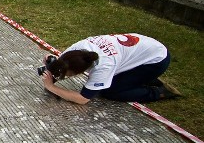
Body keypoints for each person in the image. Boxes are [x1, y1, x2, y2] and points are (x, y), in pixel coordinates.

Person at [40, 33, 179, 104]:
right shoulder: (75, 50)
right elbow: (63, 63)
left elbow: (83, 99)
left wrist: (52, 87)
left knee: (110, 91)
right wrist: (52, 64)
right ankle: (140, 78)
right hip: (144, 48)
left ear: (81, 71)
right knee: (111, 81)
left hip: (157, 60)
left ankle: (158, 92)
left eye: (68, 75)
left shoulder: (103, 66)